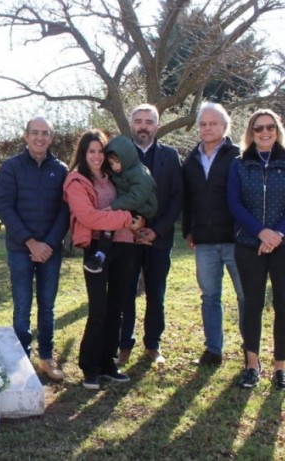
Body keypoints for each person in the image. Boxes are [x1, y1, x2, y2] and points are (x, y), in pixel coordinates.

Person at [228, 109, 285, 391]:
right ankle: (252, 365)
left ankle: (280, 368)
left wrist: (277, 235)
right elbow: (235, 204)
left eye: (269, 127)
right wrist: (261, 232)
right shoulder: (239, 164)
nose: (264, 132)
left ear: (277, 130)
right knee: (252, 304)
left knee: (284, 305)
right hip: (249, 245)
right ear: (251, 132)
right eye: (258, 128)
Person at [63, 130, 143, 390]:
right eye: (91, 151)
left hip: (125, 245)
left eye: (100, 151)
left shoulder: (116, 178)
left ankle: (108, 363)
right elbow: (89, 217)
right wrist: (124, 218)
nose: (96, 156)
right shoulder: (76, 182)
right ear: (83, 154)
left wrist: (138, 220)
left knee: (117, 307)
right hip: (97, 248)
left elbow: (136, 202)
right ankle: (90, 367)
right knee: (98, 308)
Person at [0, 116, 70, 383]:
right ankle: (21, 359)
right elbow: (5, 207)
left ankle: (46, 357)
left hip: (50, 250)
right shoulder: (11, 168)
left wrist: (48, 244)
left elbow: (65, 210)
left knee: (47, 307)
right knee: (22, 307)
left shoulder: (61, 170)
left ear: (51, 137)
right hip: (20, 249)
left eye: (45, 133)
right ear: (25, 136)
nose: (40, 137)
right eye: (35, 132)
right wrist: (30, 242)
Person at [118, 104, 183, 366]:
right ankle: (124, 345)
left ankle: (153, 344)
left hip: (159, 239)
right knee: (125, 294)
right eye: (138, 121)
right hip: (127, 237)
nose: (143, 126)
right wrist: (132, 226)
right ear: (131, 125)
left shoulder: (170, 155)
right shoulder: (119, 155)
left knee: (156, 294)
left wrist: (156, 231)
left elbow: (177, 197)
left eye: (148, 121)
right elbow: (116, 193)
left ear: (157, 125)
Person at [182, 102, 245, 367]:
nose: (207, 128)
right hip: (205, 242)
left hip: (237, 240)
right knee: (210, 297)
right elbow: (188, 199)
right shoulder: (191, 159)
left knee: (246, 296)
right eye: (203, 124)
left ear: (224, 126)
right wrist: (187, 230)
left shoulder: (239, 156)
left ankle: (249, 351)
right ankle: (213, 350)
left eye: (213, 123)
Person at [82, 135, 157, 273]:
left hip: (142, 207)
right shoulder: (122, 173)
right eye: (111, 164)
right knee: (110, 223)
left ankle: (100, 254)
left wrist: (113, 207)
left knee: (111, 219)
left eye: (117, 162)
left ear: (127, 158)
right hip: (131, 207)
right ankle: (101, 254)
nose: (115, 167)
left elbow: (137, 197)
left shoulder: (141, 173)